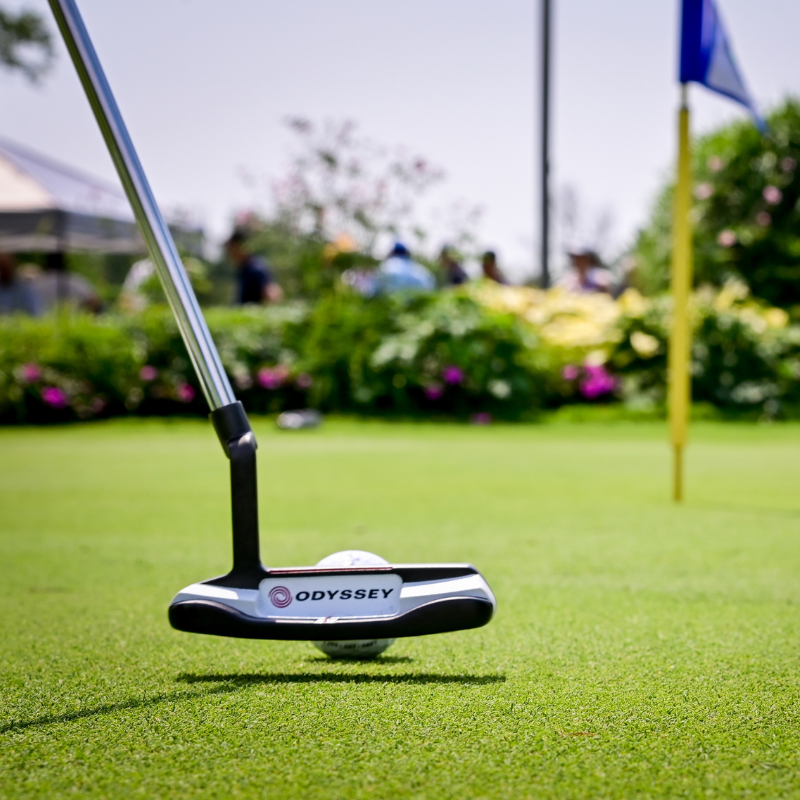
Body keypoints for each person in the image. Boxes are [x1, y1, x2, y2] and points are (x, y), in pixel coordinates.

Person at [30, 252, 102, 314]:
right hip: (72, 325)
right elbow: (94, 303)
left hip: (42, 326)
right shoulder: (76, 281)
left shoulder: (38, 283)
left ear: (46, 263)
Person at [226, 229, 283, 305]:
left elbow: (272, 293)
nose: (230, 253)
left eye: (232, 248)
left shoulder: (256, 268)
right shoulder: (243, 268)